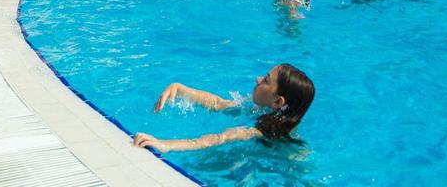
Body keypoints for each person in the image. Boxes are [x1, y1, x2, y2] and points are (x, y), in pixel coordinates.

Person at [133, 64, 315, 152]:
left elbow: (217, 139)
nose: (258, 79)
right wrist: (180, 89)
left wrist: (165, 144)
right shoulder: (267, 113)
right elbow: (219, 104)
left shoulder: (258, 131)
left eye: (266, 80)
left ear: (277, 102)